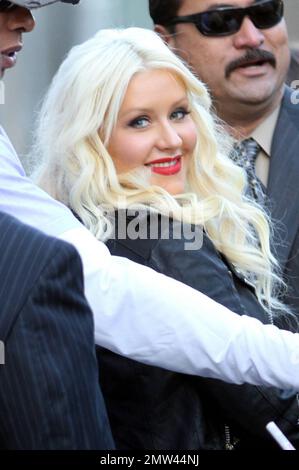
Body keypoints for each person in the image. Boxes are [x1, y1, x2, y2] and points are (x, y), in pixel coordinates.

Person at [1, 1, 299, 393]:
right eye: (139, 121)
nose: (172, 140)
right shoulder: (161, 237)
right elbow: (264, 399)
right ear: (88, 140)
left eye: (179, 113)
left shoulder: (81, 220)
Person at [149, 0, 299, 318]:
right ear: (167, 42)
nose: (251, 37)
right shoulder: (128, 145)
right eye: (220, 21)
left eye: (266, 13)